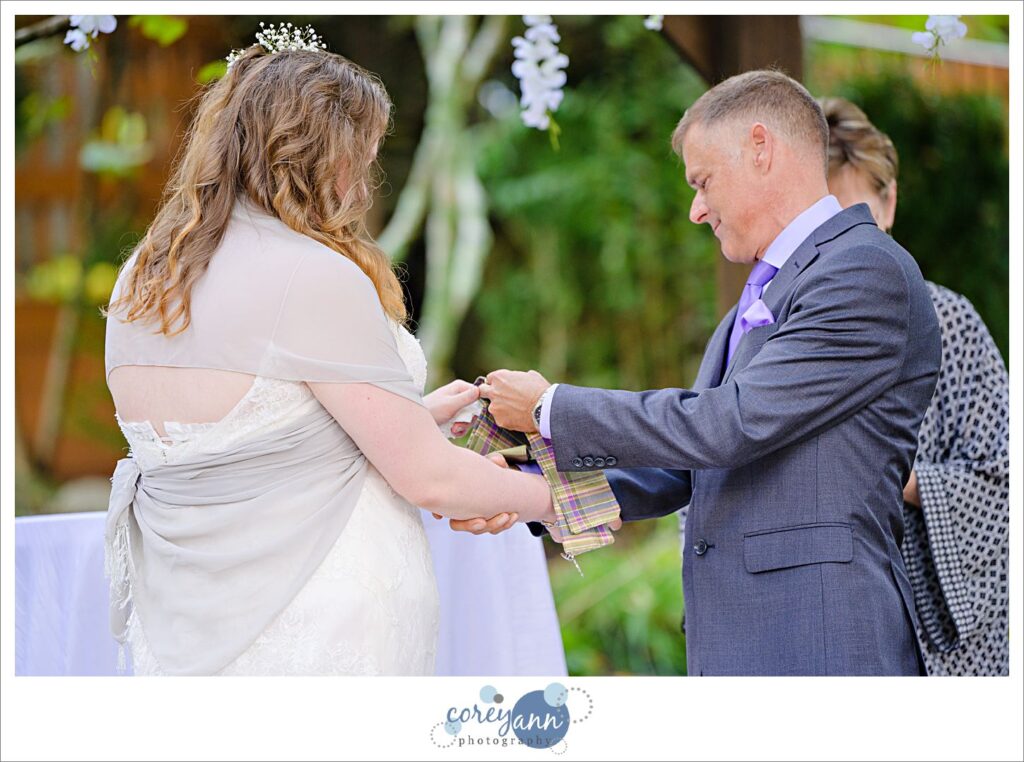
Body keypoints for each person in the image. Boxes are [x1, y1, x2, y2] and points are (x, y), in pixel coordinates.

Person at [102, 31, 556, 676]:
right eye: (364, 156)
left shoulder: (145, 276)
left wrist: (410, 416)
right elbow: (430, 478)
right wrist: (561, 497)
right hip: (321, 598)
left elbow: (242, 446)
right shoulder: (310, 275)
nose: (365, 179)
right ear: (320, 155)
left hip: (179, 613)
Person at [472, 70, 942, 676]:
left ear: (760, 148)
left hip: (818, 642)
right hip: (742, 644)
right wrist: (523, 487)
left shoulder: (863, 270)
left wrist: (549, 407)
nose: (695, 210)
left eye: (703, 182)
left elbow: (727, 425)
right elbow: (684, 467)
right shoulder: (758, 298)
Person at [819, 96, 1009, 675]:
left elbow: (1003, 475)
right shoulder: (773, 332)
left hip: (940, 634)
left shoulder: (950, 322)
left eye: (858, 220)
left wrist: (888, 475)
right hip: (824, 614)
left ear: (890, 203)